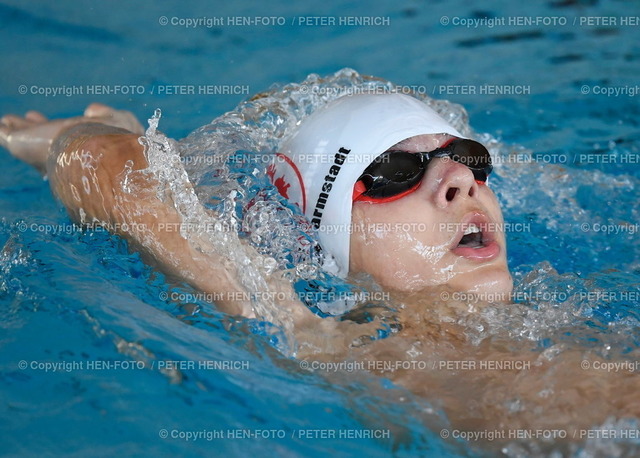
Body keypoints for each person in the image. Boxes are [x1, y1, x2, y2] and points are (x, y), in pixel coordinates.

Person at [1, 91, 637, 451]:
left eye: (468, 159)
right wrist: (93, 133)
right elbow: (96, 164)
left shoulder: (569, 312)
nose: (461, 181)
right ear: (322, 245)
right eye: (393, 172)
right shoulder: (312, 334)